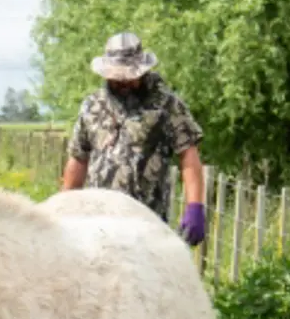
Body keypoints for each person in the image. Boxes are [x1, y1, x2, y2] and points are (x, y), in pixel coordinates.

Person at [61, 31, 206, 246]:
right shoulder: (92, 106)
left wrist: (195, 207)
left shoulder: (166, 105)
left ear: (142, 71)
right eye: (116, 77)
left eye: (129, 77)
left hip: (147, 225)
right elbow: (79, 159)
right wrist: (64, 207)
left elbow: (188, 154)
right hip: (97, 224)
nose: (123, 83)